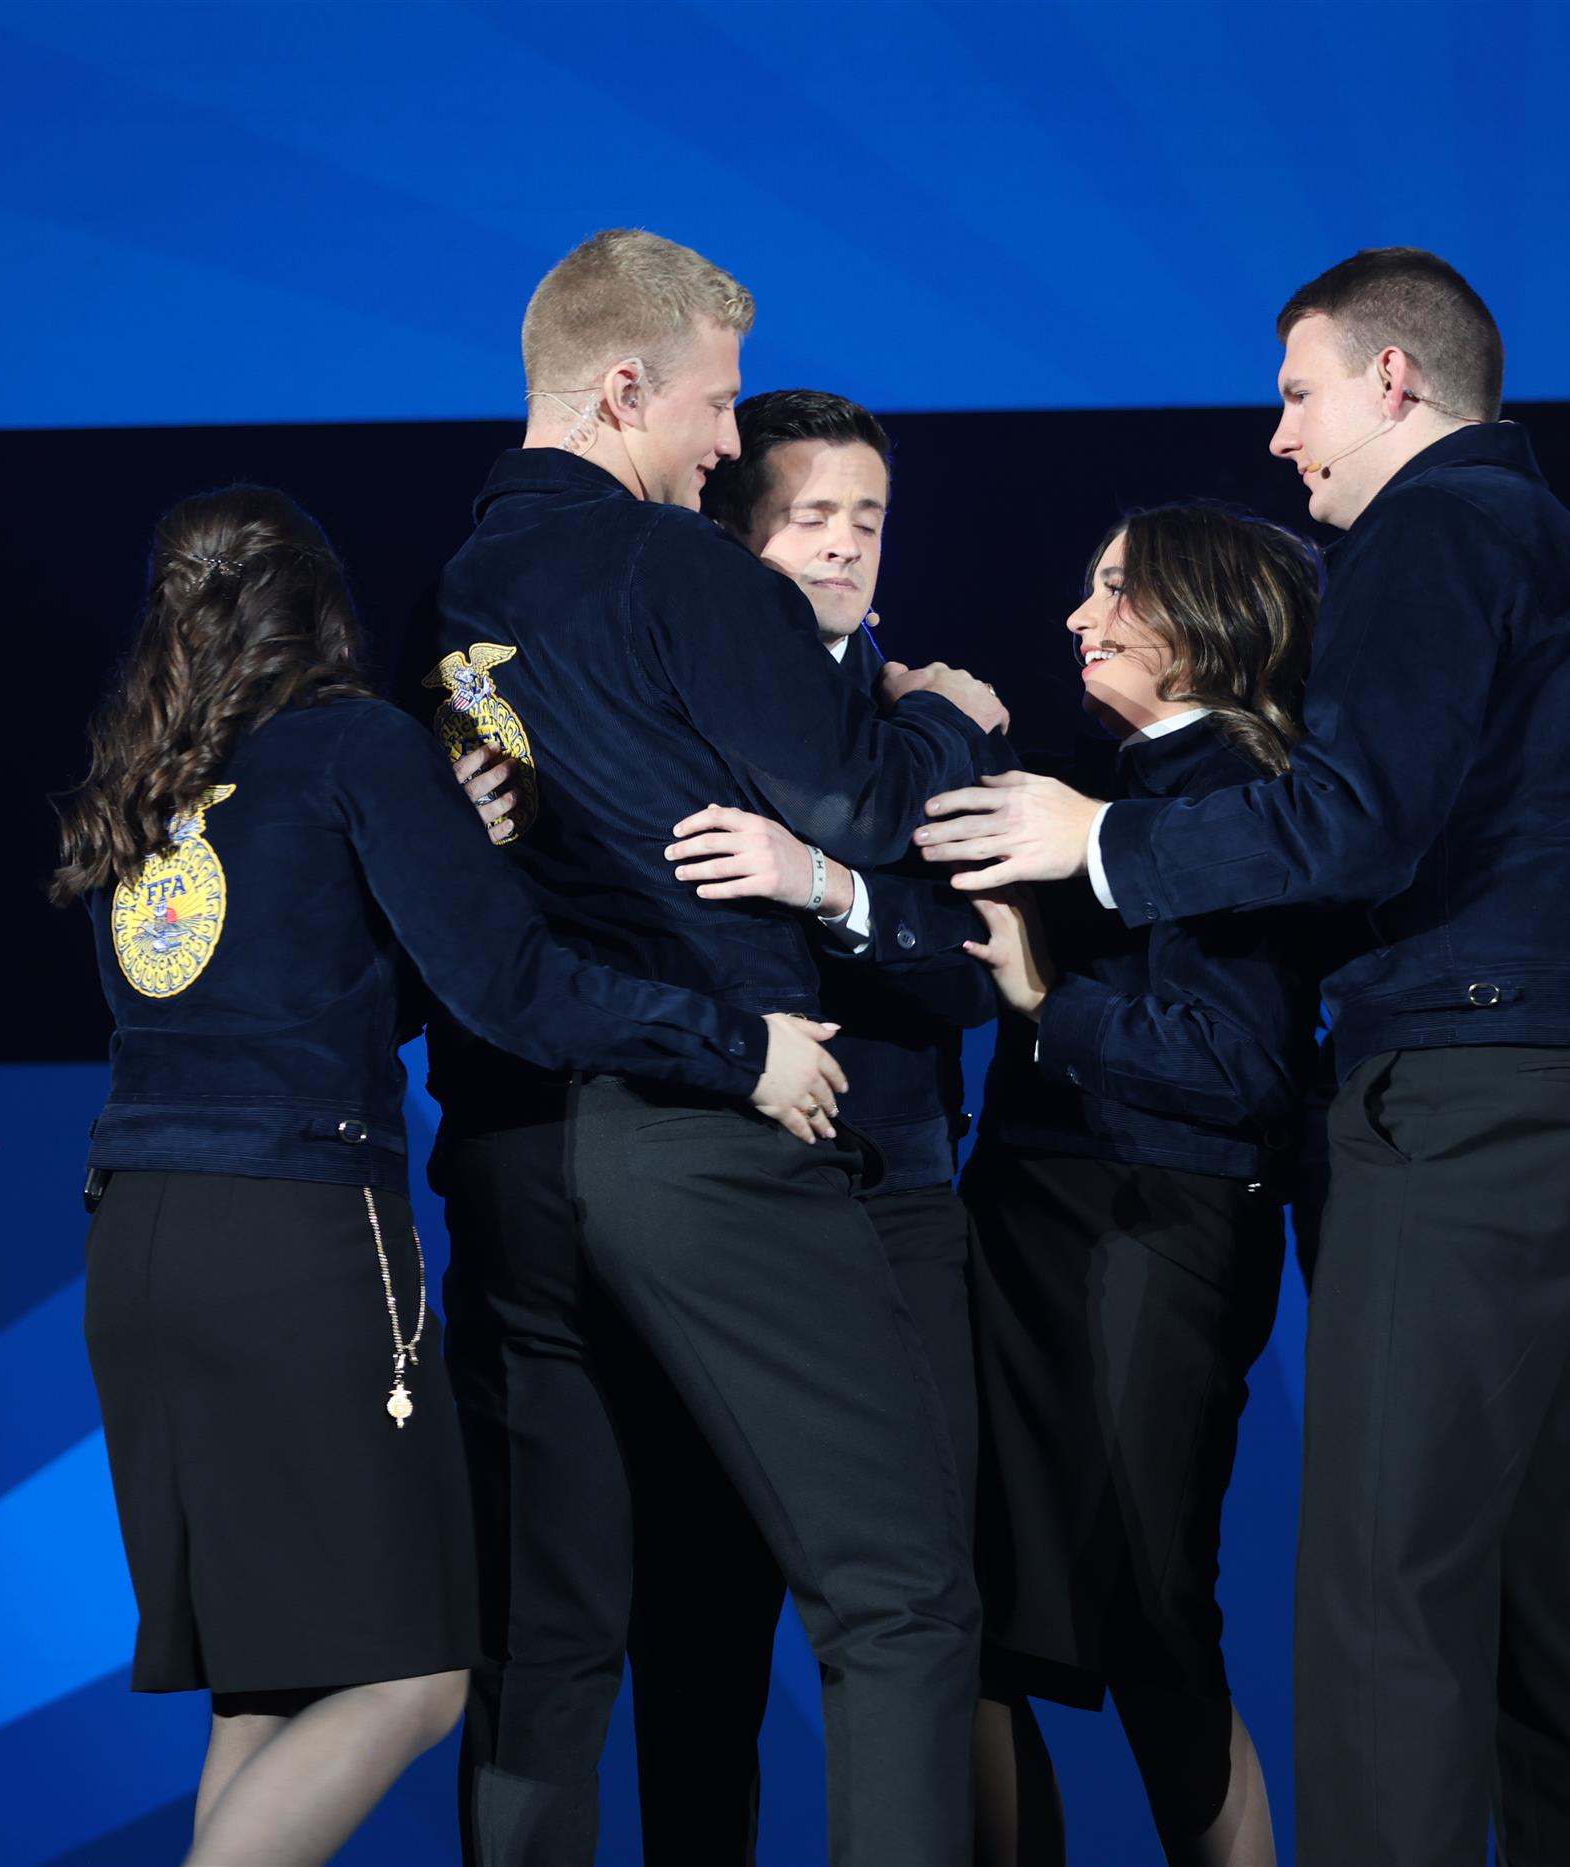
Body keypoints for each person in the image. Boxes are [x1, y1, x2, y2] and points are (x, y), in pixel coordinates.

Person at [915, 247, 1570, 1865]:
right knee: (1550, 1605)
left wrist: (1096, 840)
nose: (1281, 437)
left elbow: (1354, 820)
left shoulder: (1439, 523)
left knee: (1386, 1586)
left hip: (1473, 1102)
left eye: (1297, 393)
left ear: (1393, 380)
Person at [49, 485, 846, 1866]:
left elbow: (310, 994)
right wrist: (741, 1047)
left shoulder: (155, 786)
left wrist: (438, 844)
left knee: (269, 1682)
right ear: (322, 610)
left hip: (134, 1247)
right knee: (412, 1675)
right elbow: (515, 988)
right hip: (291, 1248)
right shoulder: (357, 743)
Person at [402, 231, 1007, 1867]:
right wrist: (946, 714)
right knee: (900, 1594)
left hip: (520, 1151)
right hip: (716, 1132)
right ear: (624, 387)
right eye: (718, 405)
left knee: (549, 1636)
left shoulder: (452, 598)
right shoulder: (679, 567)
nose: (728, 444)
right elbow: (862, 803)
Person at [573, 388, 1001, 1862]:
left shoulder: (929, 717)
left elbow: (968, 969)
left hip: (901, 1196)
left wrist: (828, 884)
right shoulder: (671, 709)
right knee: (699, 1616)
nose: (842, 547)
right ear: (734, 537)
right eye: (810, 516)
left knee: (922, 1596)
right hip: (728, 1194)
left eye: (866, 519)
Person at [960, 504, 1328, 1867]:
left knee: (1151, 1613)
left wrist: (1043, 1000)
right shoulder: (1104, 778)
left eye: (1117, 588)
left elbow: (1238, 1067)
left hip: (1153, 1230)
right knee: (982, 1613)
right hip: (1029, 1221)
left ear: (1207, 615)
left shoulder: (1244, 797)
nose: (1081, 615)